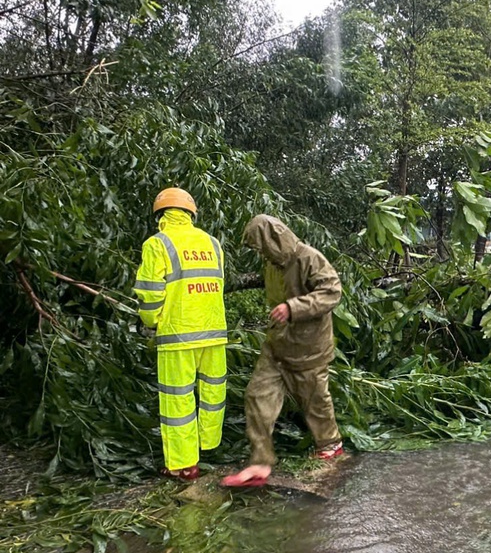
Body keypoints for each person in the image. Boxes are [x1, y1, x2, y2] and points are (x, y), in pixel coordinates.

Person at [222, 215, 343, 488]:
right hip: (277, 345)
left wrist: (293, 308)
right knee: (257, 396)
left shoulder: (310, 258)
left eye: (261, 246)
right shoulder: (272, 264)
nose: (260, 252)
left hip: (310, 348)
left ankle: (331, 445)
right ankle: (261, 461)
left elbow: (332, 291)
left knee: (315, 400)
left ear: (273, 239)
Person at [134, 188, 228, 481]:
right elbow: (218, 284)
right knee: (213, 392)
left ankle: (183, 464)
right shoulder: (212, 243)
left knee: (178, 399)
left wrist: (151, 321)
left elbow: (150, 292)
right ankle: (208, 443)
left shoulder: (157, 243)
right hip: (214, 332)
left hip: (177, 334)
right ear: (191, 214)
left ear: (160, 215)